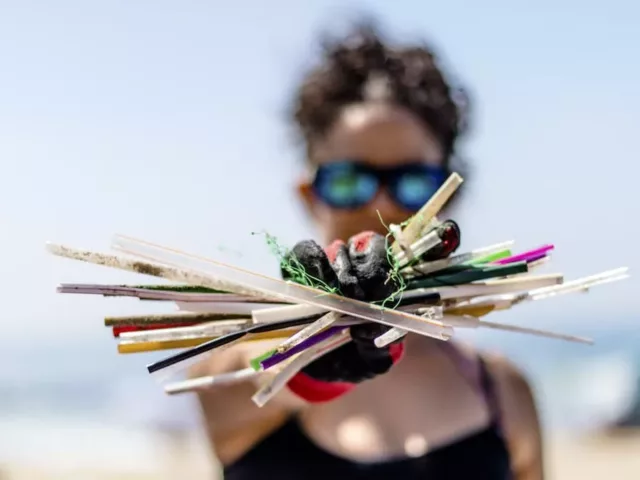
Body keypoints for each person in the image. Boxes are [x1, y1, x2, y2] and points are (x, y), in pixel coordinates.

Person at [190, 23, 543, 480]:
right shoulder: (232, 374)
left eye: (413, 182)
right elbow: (255, 376)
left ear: (448, 196)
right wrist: (310, 356)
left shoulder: (502, 391)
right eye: (348, 181)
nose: (380, 205)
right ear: (308, 194)